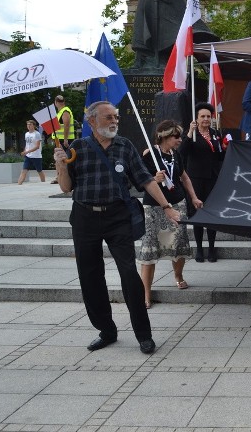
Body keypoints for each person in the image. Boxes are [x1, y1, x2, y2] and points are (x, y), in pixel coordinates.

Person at [53, 101, 179, 355]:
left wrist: (166, 206)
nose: (114, 121)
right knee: (90, 276)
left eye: (116, 117)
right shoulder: (76, 148)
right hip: (85, 218)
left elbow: (144, 179)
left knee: (128, 273)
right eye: (108, 117)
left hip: (117, 216)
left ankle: (143, 334)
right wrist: (60, 164)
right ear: (91, 121)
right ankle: (106, 330)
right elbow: (66, 188)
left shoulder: (124, 145)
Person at [137, 120, 203, 308]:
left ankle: (178, 275)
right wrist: (153, 179)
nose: (179, 140)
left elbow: (184, 177)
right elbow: (141, 180)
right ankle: (145, 293)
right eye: (176, 136)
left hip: (178, 202)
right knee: (150, 247)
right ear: (164, 136)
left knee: (179, 242)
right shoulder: (150, 155)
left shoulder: (176, 155)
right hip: (155, 207)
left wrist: (194, 197)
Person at [180, 102, 226, 262]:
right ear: (197, 119)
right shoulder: (191, 134)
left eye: (208, 116)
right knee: (198, 214)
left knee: (211, 214)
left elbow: (219, 156)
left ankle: (212, 249)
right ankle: (199, 249)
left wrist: (225, 146)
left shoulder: (215, 133)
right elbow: (181, 153)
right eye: (203, 116)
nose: (206, 119)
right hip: (196, 180)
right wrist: (189, 132)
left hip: (212, 179)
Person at [18, 120, 46, 184]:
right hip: (28, 156)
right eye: (27, 124)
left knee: (39, 171)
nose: (28, 126)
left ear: (34, 125)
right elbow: (27, 144)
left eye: (30, 124)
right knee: (24, 171)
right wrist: (25, 151)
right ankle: (19, 184)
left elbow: (37, 146)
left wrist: (27, 151)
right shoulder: (26, 134)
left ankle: (44, 183)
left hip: (36, 156)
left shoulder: (37, 134)